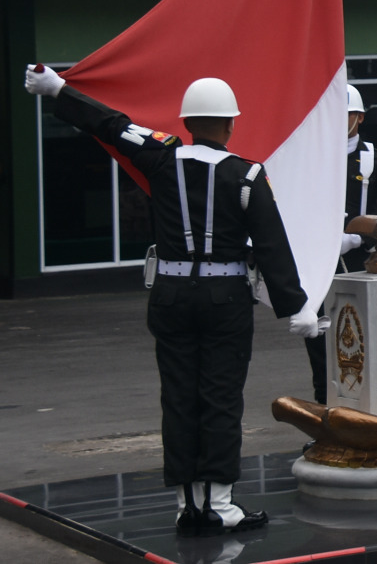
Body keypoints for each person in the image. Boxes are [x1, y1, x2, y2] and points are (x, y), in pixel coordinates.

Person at [24, 65, 313, 535]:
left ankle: (187, 503)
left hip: (171, 295)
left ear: (186, 122)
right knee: (219, 398)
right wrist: (295, 305)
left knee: (179, 398)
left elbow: (111, 125)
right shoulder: (247, 176)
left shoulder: (161, 158)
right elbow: (271, 244)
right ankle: (219, 503)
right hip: (224, 299)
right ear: (230, 124)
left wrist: (58, 90)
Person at [304, 85, 377, 405]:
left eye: (348, 114)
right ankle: (326, 410)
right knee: (320, 341)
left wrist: (357, 238)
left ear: (361, 117)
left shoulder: (376, 160)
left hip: (361, 261)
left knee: (364, 338)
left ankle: (366, 410)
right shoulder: (312, 156)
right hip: (319, 263)